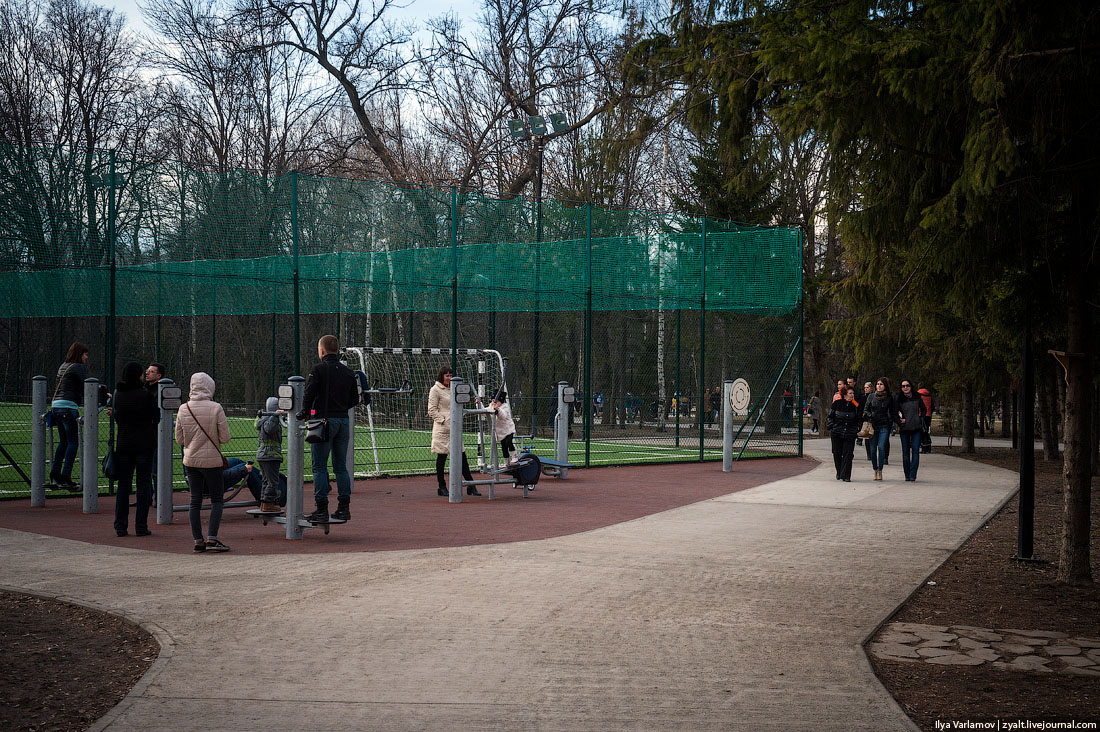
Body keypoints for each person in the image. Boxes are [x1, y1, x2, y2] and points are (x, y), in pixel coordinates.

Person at [298, 335, 359, 522]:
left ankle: (321, 508)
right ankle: (343, 507)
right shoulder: (348, 372)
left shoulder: (318, 370)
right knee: (340, 466)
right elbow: (354, 400)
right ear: (337, 350)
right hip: (343, 421)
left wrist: (305, 412)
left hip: (322, 421)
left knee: (319, 466)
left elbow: (309, 394)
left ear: (322, 351)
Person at [175, 372, 231, 552]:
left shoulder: (184, 408)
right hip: (212, 462)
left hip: (191, 461)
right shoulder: (216, 408)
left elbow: (179, 439)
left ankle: (198, 540)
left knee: (194, 501)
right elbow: (225, 438)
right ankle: (212, 538)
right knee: (217, 500)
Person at [49, 342, 108, 488]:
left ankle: (55, 472)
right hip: (68, 407)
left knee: (63, 442)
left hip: (55, 406)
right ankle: (66, 475)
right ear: (79, 354)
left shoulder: (63, 366)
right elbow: (87, 385)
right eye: (85, 354)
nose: (86, 358)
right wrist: (102, 394)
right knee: (73, 442)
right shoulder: (78, 367)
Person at [111, 361, 159, 537]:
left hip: (124, 444)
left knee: (123, 486)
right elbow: (156, 416)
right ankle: (141, 526)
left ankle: (120, 526)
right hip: (144, 443)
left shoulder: (118, 394)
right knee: (143, 485)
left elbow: (117, 416)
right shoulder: (145, 394)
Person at [428, 365, 478, 497]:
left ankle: (470, 485)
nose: (449, 378)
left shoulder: (454, 388)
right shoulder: (435, 390)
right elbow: (431, 410)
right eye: (447, 376)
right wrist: (443, 420)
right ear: (442, 376)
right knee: (442, 457)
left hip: (455, 428)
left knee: (462, 456)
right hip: (442, 430)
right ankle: (442, 486)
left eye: (451, 375)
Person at [863, 377, 897, 481]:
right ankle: (875, 470)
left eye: (881, 384)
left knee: (881, 447)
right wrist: (870, 415)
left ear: (885, 386)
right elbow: (866, 409)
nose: (879, 386)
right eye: (877, 384)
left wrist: (890, 420)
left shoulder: (890, 397)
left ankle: (880, 469)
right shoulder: (871, 396)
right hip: (873, 426)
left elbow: (893, 412)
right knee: (873, 450)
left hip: (884, 426)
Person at [255, 396, 284, 513]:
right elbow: (268, 429)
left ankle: (264, 502)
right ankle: (268, 503)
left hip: (263, 455)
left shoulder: (262, 418)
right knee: (273, 482)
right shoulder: (271, 419)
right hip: (270, 455)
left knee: (266, 481)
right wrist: (276, 416)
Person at [826, 385, 860, 481]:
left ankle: (846, 475)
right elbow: (830, 416)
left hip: (850, 433)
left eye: (853, 393)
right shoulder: (837, 404)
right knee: (836, 453)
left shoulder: (856, 406)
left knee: (848, 454)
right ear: (845, 394)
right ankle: (839, 471)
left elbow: (859, 419)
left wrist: (856, 429)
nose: (852, 395)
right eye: (850, 393)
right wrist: (832, 426)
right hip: (837, 432)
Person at [895, 379, 927, 481]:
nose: (905, 388)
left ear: (911, 386)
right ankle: (907, 474)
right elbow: (894, 413)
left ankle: (913, 474)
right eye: (903, 386)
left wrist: (920, 418)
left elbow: (924, 409)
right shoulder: (899, 399)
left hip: (916, 428)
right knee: (905, 452)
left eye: (907, 385)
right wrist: (900, 421)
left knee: (915, 451)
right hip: (904, 429)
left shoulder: (917, 397)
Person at [489, 391, 518, 463]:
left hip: (508, 430)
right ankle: (506, 462)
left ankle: (515, 457)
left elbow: (503, 416)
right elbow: (485, 411)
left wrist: (498, 410)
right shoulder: (491, 407)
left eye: (496, 401)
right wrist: (478, 404)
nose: (493, 403)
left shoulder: (505, 407)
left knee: (508, 442)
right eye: (492, 401)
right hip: (501, 432)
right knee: (503, 447)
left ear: (501, 401)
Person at [917, 383, 935, 453]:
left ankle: (924, 447)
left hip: (920, 415)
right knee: (926, 431)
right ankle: (928, 446)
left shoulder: (918, 395)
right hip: (928, 415)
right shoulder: (929, 395)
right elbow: (932, 406)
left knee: (921, 432)